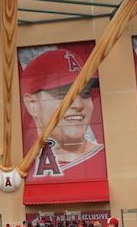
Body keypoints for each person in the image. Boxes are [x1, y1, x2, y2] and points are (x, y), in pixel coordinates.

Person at [21, 49, 105, 178]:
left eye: (85, 93)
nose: (78, 105)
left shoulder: (107, 160)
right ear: (32, 104)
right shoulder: (19, 167)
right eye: (63, 95)